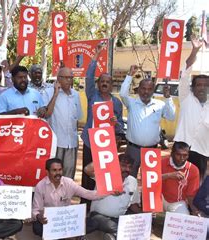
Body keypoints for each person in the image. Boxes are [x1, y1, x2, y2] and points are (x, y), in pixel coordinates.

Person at [81, 42, 124, 206]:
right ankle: (85, 206)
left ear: (112, 85)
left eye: (108, 81)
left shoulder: (117, 103)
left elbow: (120, 126)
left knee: (103, 175)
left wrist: (115, 122)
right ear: (98, 84)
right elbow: (89, 77)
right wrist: (96, 55)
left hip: (106, 146)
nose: (105, 83)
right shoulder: (92, 95)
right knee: (87, 174)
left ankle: (99, 206)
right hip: (89, 142)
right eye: (102, 81)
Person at [120, 65, 175, 177]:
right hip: (133, 150)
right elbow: (122, 94)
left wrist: (168, 98)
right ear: (139, 90)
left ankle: (144, 196)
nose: (146, 92)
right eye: (143, 88)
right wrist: (130, 75)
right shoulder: (131, 103)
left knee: (150, 181)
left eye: (149, 89)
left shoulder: (160, 104)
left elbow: (171, 116)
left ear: (153, 91)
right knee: (129, 179)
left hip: (152, 150)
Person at [32, 158, 100, 240]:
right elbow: (35, 210)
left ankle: (60, 237)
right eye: (54, 170)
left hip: (67, 221)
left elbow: (88, 194)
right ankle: (74, 237)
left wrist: (109, 191)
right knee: (36, 228)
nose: (58, 173)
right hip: (50, 222)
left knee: (94, 223)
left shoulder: (69, 183)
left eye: (60, 170)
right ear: (47, 172)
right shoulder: (40, 186)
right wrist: (38, 216)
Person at [86, 154, 141, 240]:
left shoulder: (132, 181)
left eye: (129, 167)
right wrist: (104, 156)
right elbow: (87, 169)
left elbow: (133, 204)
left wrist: (144, 213)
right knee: (113, 226)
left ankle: (113, 238)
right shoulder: (105, 175)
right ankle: (115, 235)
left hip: (119, 218)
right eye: (123, 166)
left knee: (138, 227)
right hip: (98, 216)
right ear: (115, 164)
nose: (127, 169)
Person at [174, 38, 209, 181]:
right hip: (181, 149)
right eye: (198, 85)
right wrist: (195, 50)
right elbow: (185, 73)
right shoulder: (185, 98)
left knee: (195, 184)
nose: (201, 88)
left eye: (205, 85)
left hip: (202, 151)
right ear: (192, 88)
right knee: (176, 181)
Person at [46, 67, 83, 179]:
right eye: (66, 78)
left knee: (68, 177)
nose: (69, 80)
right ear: (58, 79)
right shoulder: (49, 92)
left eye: (71, 78)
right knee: (53, 176)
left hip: (71, 143)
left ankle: (66, 197)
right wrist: (56, 94)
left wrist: (76, 138)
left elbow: (77, 119)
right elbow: (47, 114)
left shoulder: (76, 95)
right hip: (56, 142)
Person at [161, 141, 201, 215]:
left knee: (182, 222)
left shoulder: (193, 170)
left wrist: (194, 211)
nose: (181, 158)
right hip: (160, 198)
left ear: (188, 155)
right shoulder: (161, 163)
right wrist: (168, 175)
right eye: (178, 154)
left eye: (185, 155)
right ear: (172, 153)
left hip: (178, 202)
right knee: (151, 214)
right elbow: (149, 180)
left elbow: (191, 194)